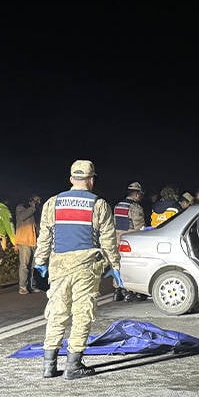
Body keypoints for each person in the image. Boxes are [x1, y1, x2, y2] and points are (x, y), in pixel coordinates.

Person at [34, 159, 122, 380]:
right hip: (86, 266)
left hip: (59, 265)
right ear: (91, 180)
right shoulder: (98, 204)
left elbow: (45, 237)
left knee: (57, 312)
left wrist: (40, 262)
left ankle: (49, 366)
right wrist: (115, 265)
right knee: (82, 313)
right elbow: (108, 239)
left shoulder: (52, 203)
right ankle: (73, 365)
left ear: (72, 179)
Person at [113, 181, 146, 301]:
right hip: (131, 240)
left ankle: (117, 291)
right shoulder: (135, 207)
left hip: (117, 239)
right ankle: (130, 291)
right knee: (132, 264)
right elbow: (139, 228)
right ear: (137, 194)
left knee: (117, 264)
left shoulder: (118, 205)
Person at [14, 194, 42, 294]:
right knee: (24, 265)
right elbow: (22, 217)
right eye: (36, 200)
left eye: (39, 201)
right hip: (24, 241)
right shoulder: (21, 208)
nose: (38, 202)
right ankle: (22, 287)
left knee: (33, 266)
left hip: (34, 241)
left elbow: (38, 226)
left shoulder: (36, 211)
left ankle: (32, 286)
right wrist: (32, 208)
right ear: (30, 200)